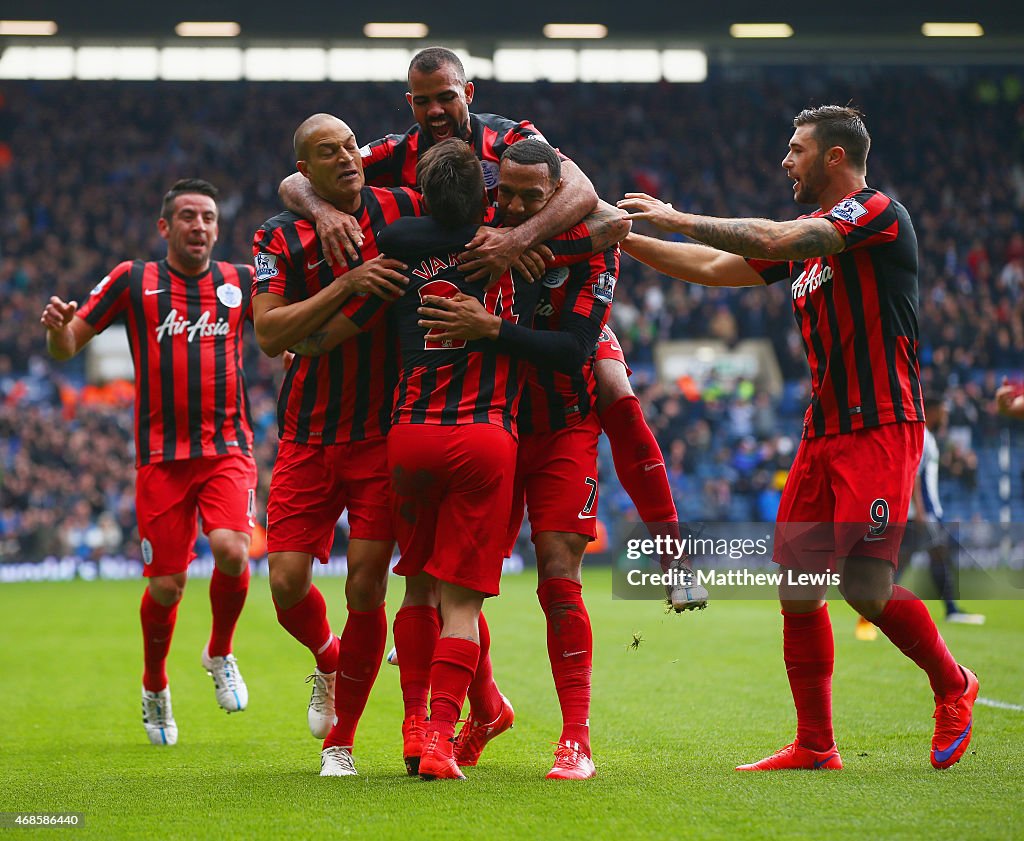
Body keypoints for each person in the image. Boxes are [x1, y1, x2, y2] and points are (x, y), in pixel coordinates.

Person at [618, 105, 977, 771]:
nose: (786, 161)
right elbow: (712, 265)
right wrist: (624, 239)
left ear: (834, 156)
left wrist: (675, 213)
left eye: (796, 150)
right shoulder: (813, 240)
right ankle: (816, 743)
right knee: (798, 585)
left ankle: (954, 684)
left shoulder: (876, 215)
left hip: (878, 428)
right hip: (822, 433)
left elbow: (776, 240)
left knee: (865, 588)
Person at [279, 46, 698, 613]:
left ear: (468, 93)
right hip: (451, 309)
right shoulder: (394, 152)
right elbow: (295, 182)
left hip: (533, 294)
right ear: (409, 103)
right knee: (430, 437)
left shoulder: (511, 137)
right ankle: (427, 598)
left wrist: (519, 243)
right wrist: (327, 214)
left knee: (615, 387)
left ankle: (673, 552)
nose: (434, 110)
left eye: (446, 97)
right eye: (422, 101)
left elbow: (591, 202)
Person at [416, 139, 627, 779]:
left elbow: (572, 350)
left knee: (558, 577)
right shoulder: (477, 236)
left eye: (530, 197)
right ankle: (473, 716)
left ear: (555, 196)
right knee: (461, 581)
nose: (511, 205)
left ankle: (576, 740)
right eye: (503, 192)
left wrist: (493, 329)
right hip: (494, 427)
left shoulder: (593, 245)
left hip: (563, 427)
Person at [41, 179, 257, 746]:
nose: (199, 226)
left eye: (208, 217)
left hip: (227, 449)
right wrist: (59, 332)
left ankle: (220, 652)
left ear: (217, 226)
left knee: (234, 550)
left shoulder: (240, 282)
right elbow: (69, 345)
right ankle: (155, 687)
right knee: (167, 585)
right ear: (165, 227)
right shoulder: (134, 279)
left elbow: (283, 333)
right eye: (187, 216)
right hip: (161, 459)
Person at [251, 113, 422, 777]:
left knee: (365, 586)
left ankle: (340, 743)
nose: (349, 157)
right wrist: (345, 284)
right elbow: (268, 333)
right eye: (330, 151)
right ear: (306, 169)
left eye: (351, 144)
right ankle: (328, 656)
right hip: (306, 433)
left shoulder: (403, 207)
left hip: (382, 434)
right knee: (288, 582)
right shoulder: (280, 234)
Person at [374, 139, 543, 780]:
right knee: (463, 607)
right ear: (488, 196)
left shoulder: (399, 243)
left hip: (410, 435)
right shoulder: (515, 251)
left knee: (415, 588)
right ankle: (444, 744)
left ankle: (415, 728)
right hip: (482, 437)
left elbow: (406, 227)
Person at [857, 394, 985, 641]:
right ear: (933, 411)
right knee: (923, 559)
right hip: (921, 513)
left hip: (921, 512)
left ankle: (872, 607)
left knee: (916, 560)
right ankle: (873, 607)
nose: (946, 417)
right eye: (944, 412)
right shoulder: (922, 437)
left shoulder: (926, 437)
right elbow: (914, 476)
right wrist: (921, 511)